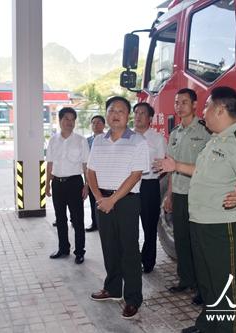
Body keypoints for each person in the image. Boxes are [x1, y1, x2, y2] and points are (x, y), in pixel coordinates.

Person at [154, 87, 236, 333]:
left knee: (225, 283)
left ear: (220, 110)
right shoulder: (217, 139)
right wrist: (176, 165)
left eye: (206, 107)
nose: (203, 112)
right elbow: (202, 171)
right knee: (207, 280)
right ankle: (208, 325)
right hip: (201, 221)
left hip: (223, 224)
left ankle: (228, 329)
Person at [87, 96, 150, 319]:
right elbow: (91, 171)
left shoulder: (138, 141)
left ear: (128, 116)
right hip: (102, 200)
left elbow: (135, 175)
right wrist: (97, 196)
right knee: (109, 247)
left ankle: (133, 298)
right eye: (112, 110)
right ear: (107, 114)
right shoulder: (98, 141)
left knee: (129, 251)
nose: (116, 114)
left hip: (126, 201)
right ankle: (113, 289)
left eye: (121, 111)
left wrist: (112, 200)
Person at [164, 88, 211, 305]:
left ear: (194, 105)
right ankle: (186, 280)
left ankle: (204, 288)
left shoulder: (205, 131)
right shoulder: (174, 134)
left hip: (200, 194)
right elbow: (172, 167)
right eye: (176, 102)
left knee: (199, 243)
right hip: (180, 193)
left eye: (184, 102)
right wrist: (170, 195)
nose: (179, 106)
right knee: (181, 240)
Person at [46, 107, 89, 265]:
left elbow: (86, 165)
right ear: (60, 120)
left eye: (72, 119)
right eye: (66, 119)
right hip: (57, 183)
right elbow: (49, 163)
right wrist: (47, 185)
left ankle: (79, 252)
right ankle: (63, 248)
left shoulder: (80, 140)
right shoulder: (53, 140)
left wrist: (87, 185)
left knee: (77, 220)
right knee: (60, 218)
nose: (69, 122)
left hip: (75, 183)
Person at [133, 102, 166, 273]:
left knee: (149, 226)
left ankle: (148, 261)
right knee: (129, 227)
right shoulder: (127, 137)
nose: (138, 116)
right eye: (136, 112)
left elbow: (161, 165)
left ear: (150, 118)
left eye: (142, 113)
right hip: (129, 186)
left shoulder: (157, 138)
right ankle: (132, 259)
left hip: (149, 185)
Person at [85, 115, 106, 232]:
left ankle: (103, 223)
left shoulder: (108, 139)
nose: (96, 125)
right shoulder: (87, 141)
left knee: (104, 198)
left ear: (103, 125)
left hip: (103, 176)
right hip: (91, 175)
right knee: (93, 200)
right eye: (93, 123)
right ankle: (95, 223)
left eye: (98, 123)